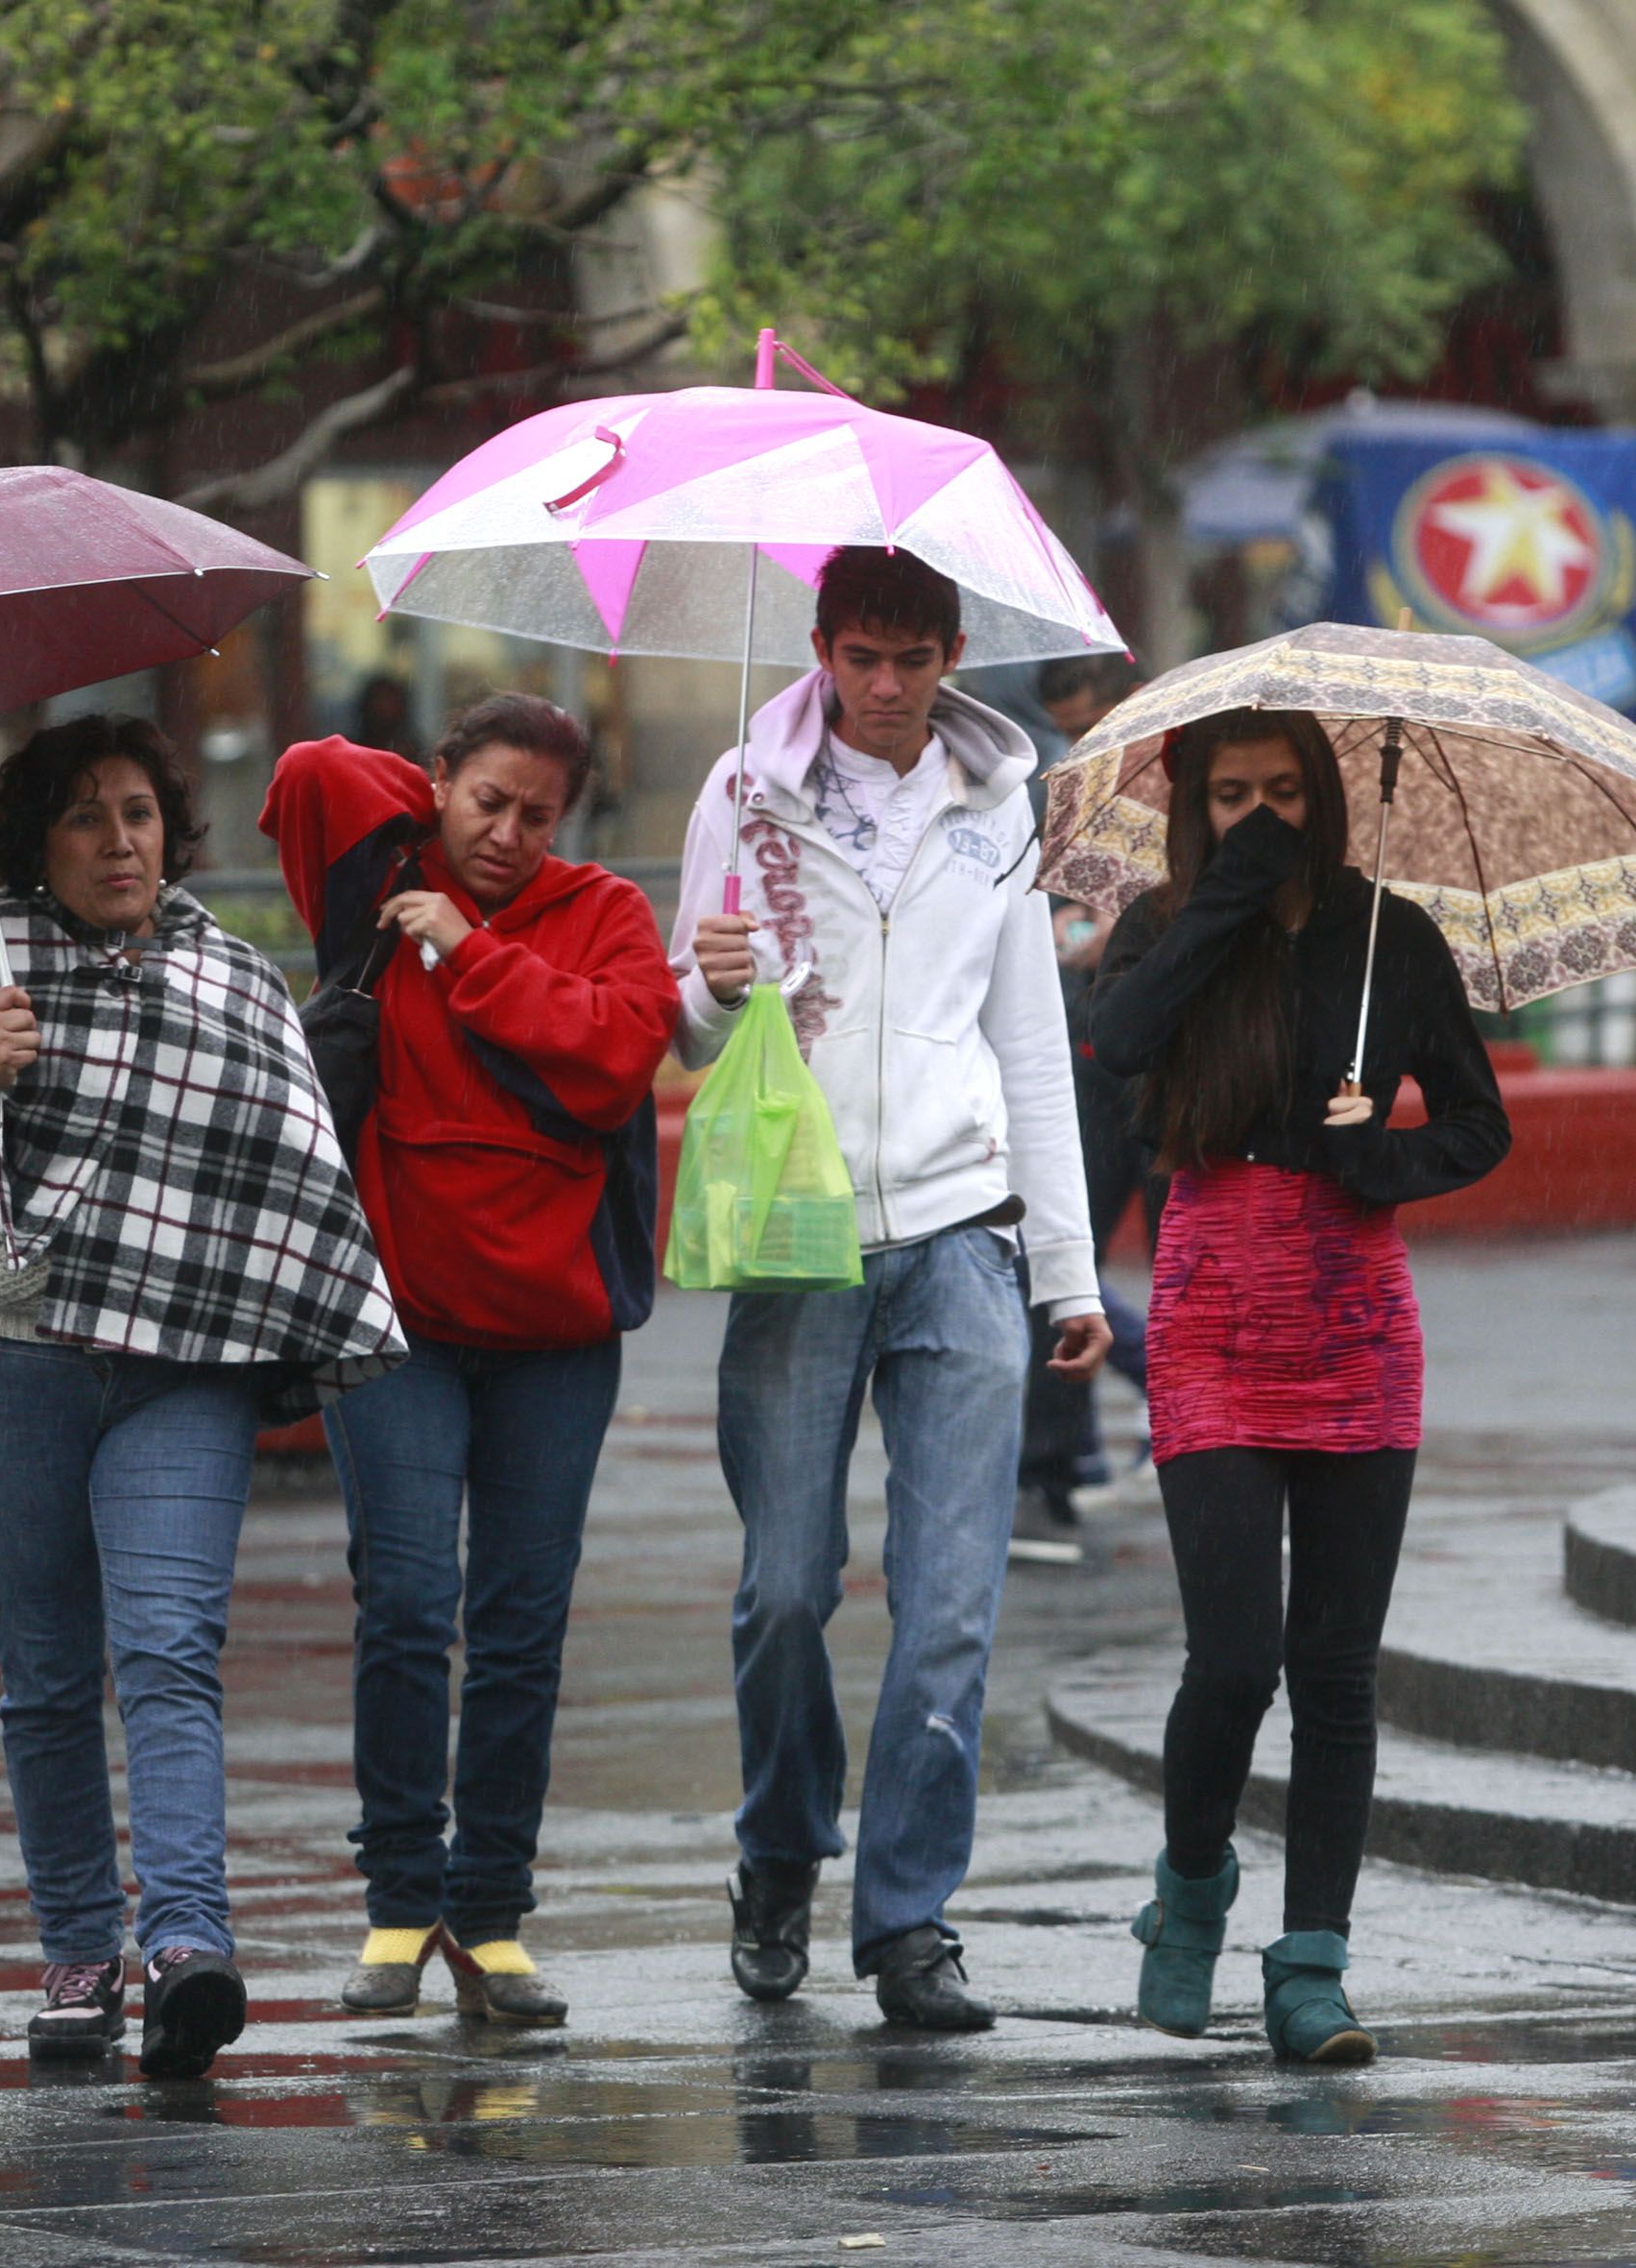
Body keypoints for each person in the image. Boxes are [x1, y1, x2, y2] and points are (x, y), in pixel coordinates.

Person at [0, 714, 401, 2080]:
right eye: (85, 816)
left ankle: (186, 1947)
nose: (118, 839)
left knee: (167, 1646)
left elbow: (289, 1182)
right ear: (37, 838)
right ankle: (79, 1950)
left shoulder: (230, 979)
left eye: (138, 812)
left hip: (179, 1370)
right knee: (42, 1666)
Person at [670, 545, 1112, 2033]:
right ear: (818, 648)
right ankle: (779, 1854)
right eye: (860, 656)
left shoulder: (1000, 807)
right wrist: (709, 983)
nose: (885, 687)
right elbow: (685, 1027)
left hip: (959, 1225)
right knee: (784, 1587)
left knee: (948, 1606)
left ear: (950, 657)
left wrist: (1064, 1265)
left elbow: (1030, 1041)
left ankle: (910, 1917)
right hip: (798, 1227)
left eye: (913, 658)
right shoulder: (741, 790)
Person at [1086, 708, 1508, 2066]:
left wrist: (1373, 1156)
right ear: (1191, 804)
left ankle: (1310, 1965)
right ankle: (1190, 1889)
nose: (1257, 815)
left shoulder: (1386, 937)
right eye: (1227, 795)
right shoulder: (1164, 926)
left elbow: (1473, 1121)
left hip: (1352, 1319)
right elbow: (1119, 1040)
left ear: (1324, 796)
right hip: (1209, 1312)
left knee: (1332, 1670)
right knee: (1233, 1659)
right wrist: (1222, 893)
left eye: (1280, 793)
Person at [260, 694, 677, 2031]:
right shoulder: (378, 882)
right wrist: (423, 849)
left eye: (534, 814)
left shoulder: (602, 910)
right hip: (396, 1325)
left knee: (517, 1626)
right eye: (483, 799)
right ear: (438, 781)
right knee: (401, 1602)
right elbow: (310, 763)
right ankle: (397, 1903)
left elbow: (618, 1053)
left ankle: (488, 1915)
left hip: (553, 1341)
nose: (503, 833)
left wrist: (471, 950)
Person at [1022, 653, 1153, 1529]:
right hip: (1085, 1050)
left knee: (1190, 1255)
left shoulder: (1190, 780)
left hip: (1170, 1066)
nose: (1081, 745)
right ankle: (1056, 1464)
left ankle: (1191, 1419)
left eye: (1090, 726)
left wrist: (1137, 917)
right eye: (1068, 732)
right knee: (1058, 1257)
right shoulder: (1059, 796)